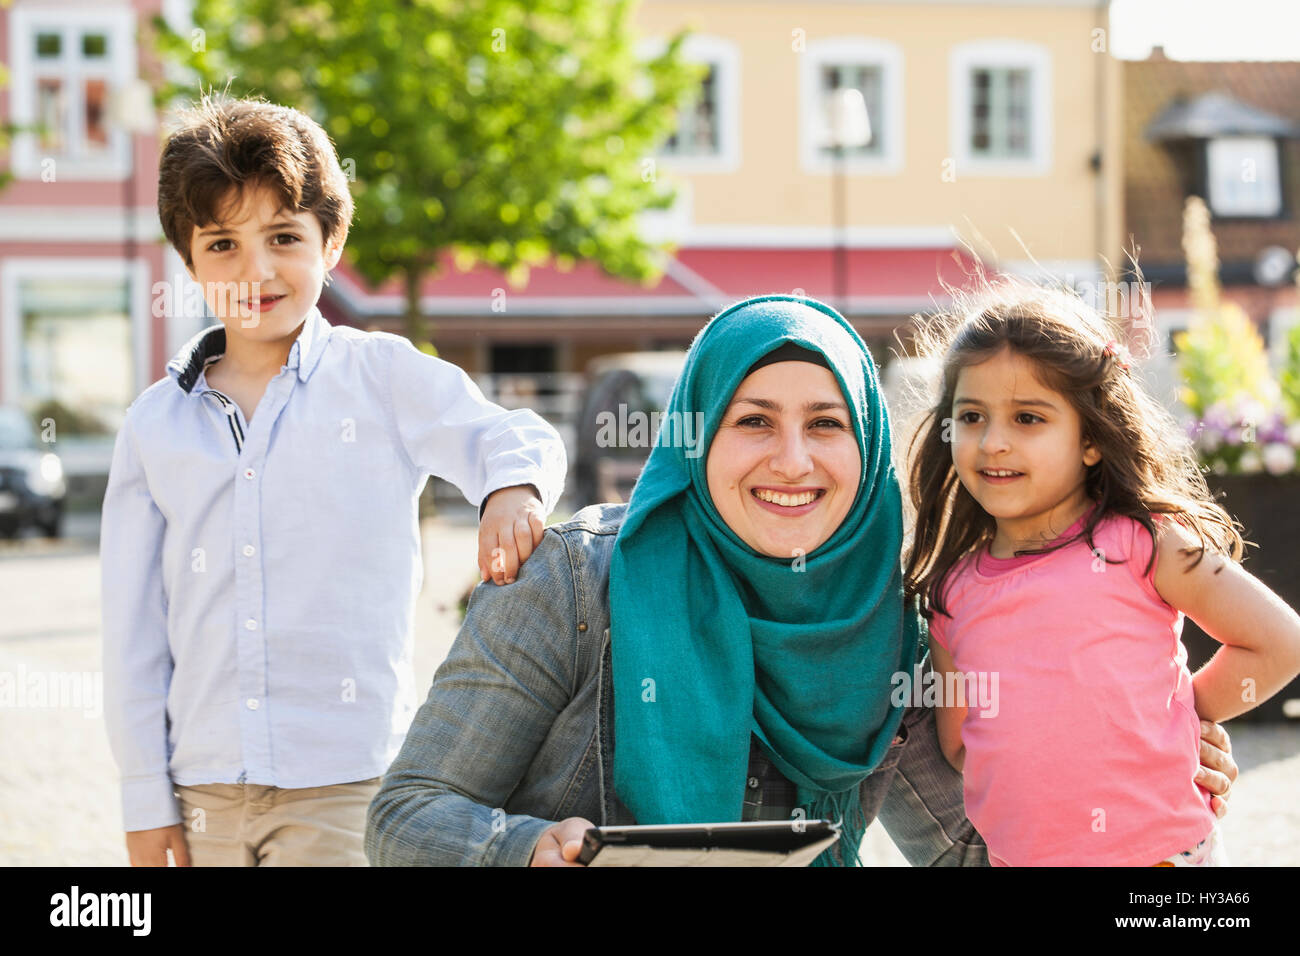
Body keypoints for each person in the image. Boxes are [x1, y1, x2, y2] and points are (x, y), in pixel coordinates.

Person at [365, 294, 1238, 867]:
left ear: (865, 443)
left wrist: (1127, 773)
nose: (793, 460)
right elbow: (406, 815)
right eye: (753, 422)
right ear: (697, 435)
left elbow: (964, 846)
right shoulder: (572, 586)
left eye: (826, 424)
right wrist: (524, 848)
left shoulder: (894, 621)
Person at [100, 94, 567, 867]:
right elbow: (133, 629)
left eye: (284, 237)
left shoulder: (379, 376)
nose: (257, 270)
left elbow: (508, 434)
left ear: (331, 241)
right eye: (222, 246)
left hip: (347, 783)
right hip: (202, 788)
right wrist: (145, 797)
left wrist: (509, 490)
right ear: (187, 261)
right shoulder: (154, 426)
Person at [904, 280, 1300, 866]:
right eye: (971, 416)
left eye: (1028, 418)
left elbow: (1280, 643)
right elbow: (962, 745)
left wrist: (1183, 713)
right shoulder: (952, 593)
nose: (993, 442)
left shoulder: (1144, 542)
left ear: (1091, 439)